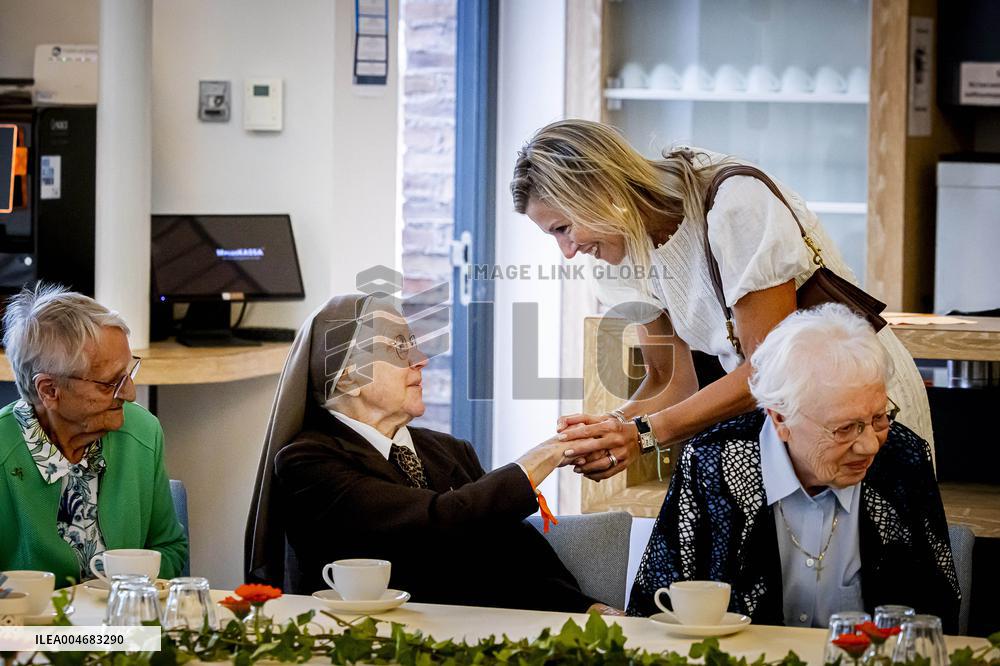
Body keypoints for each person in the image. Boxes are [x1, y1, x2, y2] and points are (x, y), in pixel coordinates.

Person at [510, 119, 932, 481]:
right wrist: (613, 427)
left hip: (863, 412)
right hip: (786, 426)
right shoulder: (618, 257)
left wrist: (642, 434)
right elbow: (669, 380)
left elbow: (767, 370)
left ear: (600, 193)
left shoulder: (733, 202)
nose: (566, 252)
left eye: (563, 228)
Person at [245, 294, 617, 614]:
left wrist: (586, 608)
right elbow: (434, 525)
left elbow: (514, 553)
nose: (421, 359)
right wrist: (546, 455)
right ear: (346, 377)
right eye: (399, 348)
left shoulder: (450, 451)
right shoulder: (306, 462)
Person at [627, 304, 960, 632]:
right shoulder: (712, 462)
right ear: (780, 418)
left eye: (879, 418)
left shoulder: (902, 458)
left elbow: (937, 613)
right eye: (844, 428)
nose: (870, 444)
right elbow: (654, 610)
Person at [0, 284, 188, 585]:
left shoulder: (142, 432)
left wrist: (118, 595)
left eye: (128, 373)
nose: (129, 393)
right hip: (27, 631)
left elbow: (170, 549)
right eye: (109, 383)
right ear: (49, 390)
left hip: (125, 626)